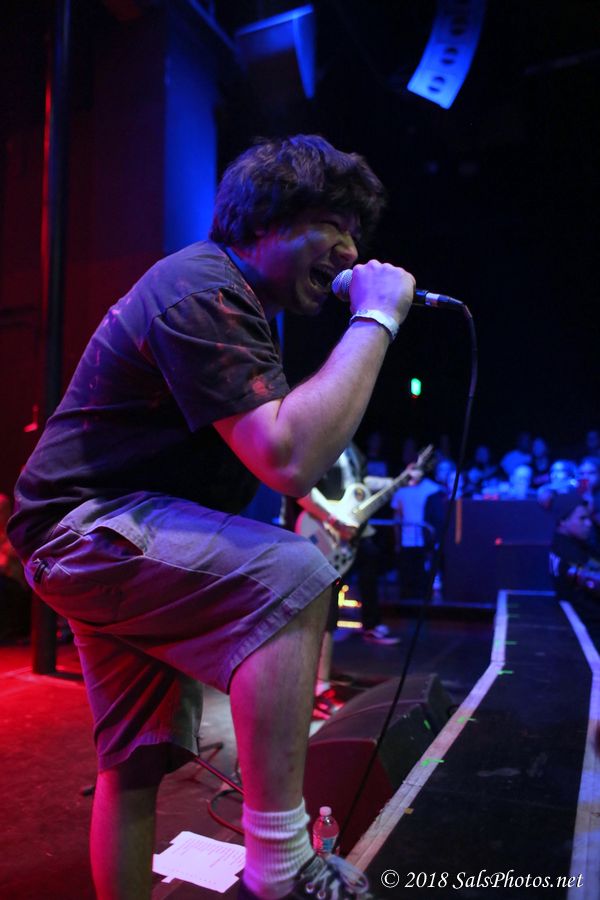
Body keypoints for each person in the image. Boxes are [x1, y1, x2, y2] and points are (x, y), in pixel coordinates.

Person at [8, 135, 416, 900]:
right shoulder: (202, 289)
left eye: (356, 233)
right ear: (263, 221)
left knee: (134, 764)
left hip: (102, 533)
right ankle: (284, 868)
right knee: (295, 572)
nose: (351, 251)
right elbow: (288, 456)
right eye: (331, 225)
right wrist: (377, 320)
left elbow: (288, 454)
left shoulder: (239, 304)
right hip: (85, 529)